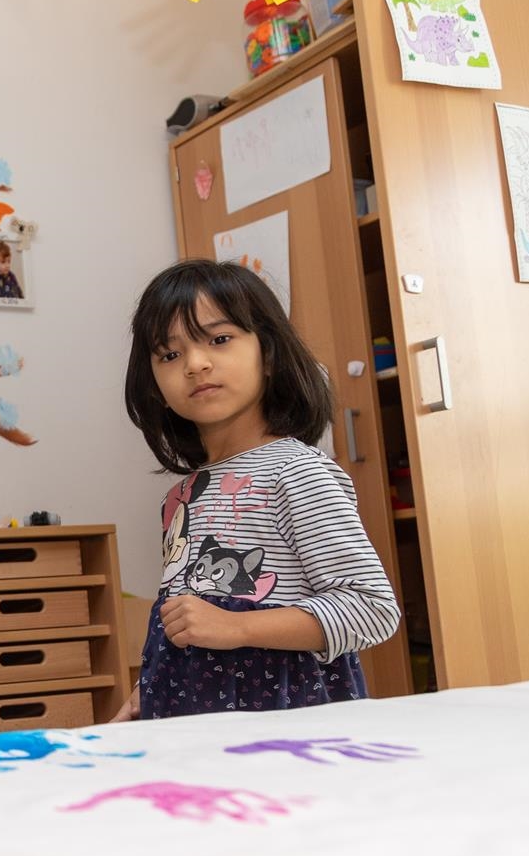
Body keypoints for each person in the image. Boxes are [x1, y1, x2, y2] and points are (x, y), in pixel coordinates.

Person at [115, 259, 399, 721]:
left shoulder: (296, 472)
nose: (195, 363)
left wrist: (236, 625)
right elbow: (188, 626)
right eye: (169, 354)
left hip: (285, 730)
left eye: (219, 339)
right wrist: (147, 691)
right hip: (194, 726)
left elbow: (371, 609)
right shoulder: (180, 498)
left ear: (268, 354)